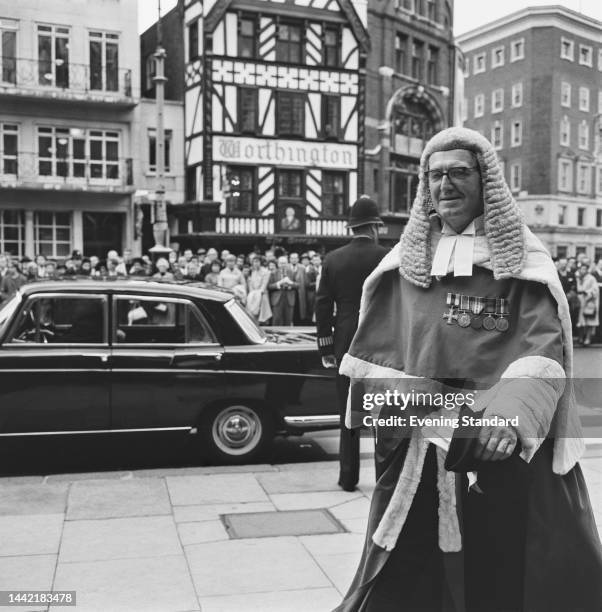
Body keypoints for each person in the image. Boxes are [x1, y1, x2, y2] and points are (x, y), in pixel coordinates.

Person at [334, 127, 602, 612]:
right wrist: (404, 409)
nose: (446, 184)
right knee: (408, 574)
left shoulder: (522, 260)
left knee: (499, 575)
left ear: (486, 181)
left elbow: (541, 347)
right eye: (436, 175)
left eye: (459, 172)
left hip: (494, 450)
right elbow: (377, 358)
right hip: (418, 450)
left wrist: (507, 417)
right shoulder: (403, 264)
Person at [315, 196, 388, 492]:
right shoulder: (386, 255)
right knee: (385, 410)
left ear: (351, 227)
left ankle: (348, 476)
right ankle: (384, 474)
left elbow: (322, 306)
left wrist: (326, 347)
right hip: (380, 337)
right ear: (373, 227)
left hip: (345, 338)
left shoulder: (332, 259)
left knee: (348, 410)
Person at [268, 255, 297, 325]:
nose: (283, 265)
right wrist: (278, 283)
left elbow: (298, 285)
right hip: (277, 300)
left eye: (284, 263)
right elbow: (269, 286)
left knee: (288, 320)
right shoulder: (273, 273)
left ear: (287, 264)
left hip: (289, 299)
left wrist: (290, 283)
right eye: (281, 263)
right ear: (278, 264)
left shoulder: (292, 272)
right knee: (276, 320)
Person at [576, 263, 599, 346]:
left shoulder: (591, 279)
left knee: (589, 322)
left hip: (588, 302)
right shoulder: (578, 278)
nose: (583, 271)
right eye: (581, 269)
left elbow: (595, 290)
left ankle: (588, 338)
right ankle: (581, 338)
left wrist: (588, 293)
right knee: (581, 322)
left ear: (587, 270)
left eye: (585, 269)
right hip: (580, 302)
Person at [246, 256, 272, 324]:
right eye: (254, 262)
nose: (255, 263)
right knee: (251, 315)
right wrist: (252, 294)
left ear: (260, 262)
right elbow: (250, 284)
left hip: (262, 294)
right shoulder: (252, 271)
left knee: (262, 316)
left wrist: (258, 293)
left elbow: (264, 285)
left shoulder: (266, 272)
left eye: (257, 261)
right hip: (252, 295)